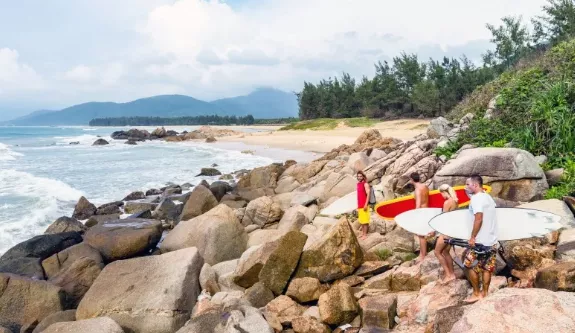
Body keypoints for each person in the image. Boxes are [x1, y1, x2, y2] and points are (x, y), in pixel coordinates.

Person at [463, 174, 498, 303]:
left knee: (468, 266)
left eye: (468, 184)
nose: (466, 187)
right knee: (487, 268)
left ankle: (476, 293)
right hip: (491, 241)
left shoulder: (476, 199)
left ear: (475, 185)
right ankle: (485, 293)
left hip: (480, 242)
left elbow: (479, 218)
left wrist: (472, 237)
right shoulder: (488, 198)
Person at [429, 184, 458, 284]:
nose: (441, 196)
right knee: (445, 252)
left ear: (444, 192)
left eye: (441, 193)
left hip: (446, 231)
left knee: (437, 252)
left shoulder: (447, 202)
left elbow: (442, 219)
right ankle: (452, 274)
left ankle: (448, 275)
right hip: (452, 230)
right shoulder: (455, 202)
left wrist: (434, 231)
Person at [408, 172, 429, 262]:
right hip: (427, 211)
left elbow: (418, 204)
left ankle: (423, 256)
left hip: (421, 213)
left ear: (412, 180)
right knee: (422, 234)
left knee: (421, 236)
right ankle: (422, 253)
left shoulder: (417, 190)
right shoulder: (425, 186)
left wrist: (414, 216)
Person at [356, 170, 371, 240]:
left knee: (365, 221)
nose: (359, 177)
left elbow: (368, 194)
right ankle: (363, 234)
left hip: (364, 205)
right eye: (358, 176)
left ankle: (365, 234)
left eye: (360, 176)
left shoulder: (365, 184)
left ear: (363, 176)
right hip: (359, 205)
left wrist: (366, 204)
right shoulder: (358, 184)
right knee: (362, 220)